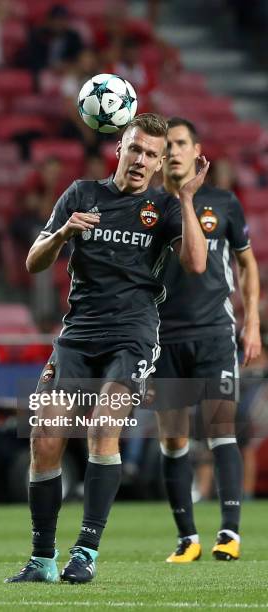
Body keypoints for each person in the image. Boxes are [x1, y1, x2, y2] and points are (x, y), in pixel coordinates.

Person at [5, 113, 208, 584]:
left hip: (132, 335)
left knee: (102, 429)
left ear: (160, 164)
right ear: (120, 147)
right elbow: (35, 262)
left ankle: (87, 551)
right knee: (45, 435)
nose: (141, 160)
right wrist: (62, 234)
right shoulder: (80, 194)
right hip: (77, 335)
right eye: (135, 149)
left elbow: (196, 263)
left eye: (151, 155)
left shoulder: (166, 206)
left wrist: (188, 197)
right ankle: (41, 559)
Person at [154, 117, 261, 563]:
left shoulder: (223, 203)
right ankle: (187, 540)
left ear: (197, 150)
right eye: (168, 145)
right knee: (174, 441)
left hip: (215, 335)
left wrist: (251, 321)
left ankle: (229, 534)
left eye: (181, 143)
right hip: (164, 338)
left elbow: (247, 264)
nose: (174, 150)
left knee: (221, 433)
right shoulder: (147, 206)